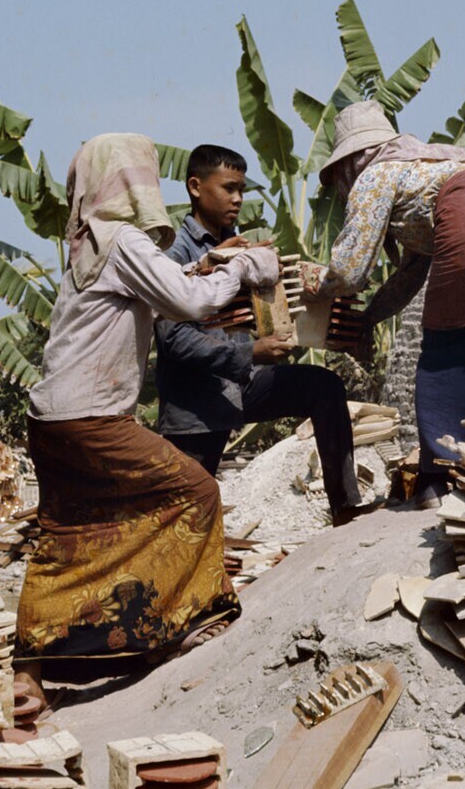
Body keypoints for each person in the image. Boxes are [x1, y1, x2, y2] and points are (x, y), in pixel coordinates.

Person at [13, 133, 279, 717]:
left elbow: (160, 286)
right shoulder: (123, 240)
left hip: (50, 419)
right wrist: (243, 267)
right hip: (93, 417)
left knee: (63, 537)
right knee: (197, 492)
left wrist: (206, 264)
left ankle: (29, 678)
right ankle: (184, 622)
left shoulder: (87, 244)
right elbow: (190, 302)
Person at [308, 101, 465, 508]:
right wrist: (369, 319)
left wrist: (315, 286)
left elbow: (350, 271)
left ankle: (438, 479)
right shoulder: (430, 170)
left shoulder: (376, 174)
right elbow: (409, 276)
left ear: (351, 161)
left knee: (447, 348)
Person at [154, 143, 366, 522]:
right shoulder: (175, 255)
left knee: (325, 387)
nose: (238, 199)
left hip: (243, 386)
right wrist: (251, 353)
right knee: (183, 516)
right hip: (196, 406)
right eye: (228, 188)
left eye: (241, 190)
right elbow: (174, 339)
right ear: (195, 187)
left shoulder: (241, 247)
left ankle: (346, 508)